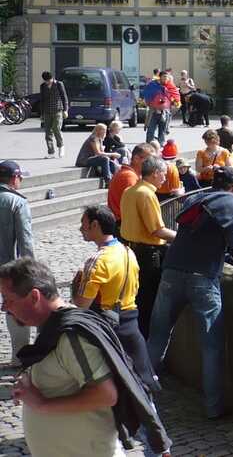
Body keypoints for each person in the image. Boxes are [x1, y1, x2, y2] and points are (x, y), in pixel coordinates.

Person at [2, 257, 172, 457]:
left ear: (34, 297)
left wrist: (42, 405)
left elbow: (106, 394)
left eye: (8, 299)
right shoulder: (54, 328)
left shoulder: (72, 336)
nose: (4, 307)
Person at [148, 166, 233, 421]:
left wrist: (229, 258)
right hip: (202, 280)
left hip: (172, 272)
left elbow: (197, 237)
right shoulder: (231, 201)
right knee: (211, 347)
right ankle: (213, 407)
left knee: (158, 336)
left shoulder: (197, 198)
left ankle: (141, 393)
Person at [72, 205, 160, 399]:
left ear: (95, 225)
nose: (81, 229)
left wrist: (75, 289)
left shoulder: (97, 261)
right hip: (131, 324)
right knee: (142, 384)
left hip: (109, 329)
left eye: (83, 224)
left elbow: (81, 306)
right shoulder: (127, 252)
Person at [119, 155, 176, 338]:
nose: (165, 178)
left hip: (132, 249)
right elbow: (157, 231)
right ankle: (144, 343)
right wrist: (183, 237)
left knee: (137, 298)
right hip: (148, 254)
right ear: (155, 173)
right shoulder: (147, 194)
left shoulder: (130, 190)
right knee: (149, 302)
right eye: (163, 175)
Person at [0, 160, 34, 354]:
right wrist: (30, 271)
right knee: (15, 307)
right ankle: (19, 355)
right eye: (20, 177)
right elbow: (25, 242)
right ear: (14, 178)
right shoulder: (17, 202)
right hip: (7, 267)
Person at [108, 144, 152, 222]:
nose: (152, 164)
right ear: (136, 159)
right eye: (149, 160)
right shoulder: (129, 177)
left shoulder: (130, 174)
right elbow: (133, 205)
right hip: (123, 223)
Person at [39, 71, 68, 159]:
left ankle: (61, 146)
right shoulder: (43, 86)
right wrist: (41, 113)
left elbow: (64, 97)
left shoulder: (59, 84)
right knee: (47, 132)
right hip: (47, 111)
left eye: (49, 80)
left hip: (58, 110)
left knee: (56, 128)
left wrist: (66, 110)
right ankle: (51, 152)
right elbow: (42, 100)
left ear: (52, 78)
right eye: (46, 81)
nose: (48, 82)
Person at [141, 71, 171, 145]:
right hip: (153, 111)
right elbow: (146, 95)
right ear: (160, 77)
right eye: (164, 77)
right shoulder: (152, 85)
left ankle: (161, 147)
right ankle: (149, 147)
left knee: (163, 131)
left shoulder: (169, 86)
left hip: (165, 112)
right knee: (151, 131)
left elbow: (171, 98)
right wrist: (152, 105)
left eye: (167, 77)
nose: (166, 78)